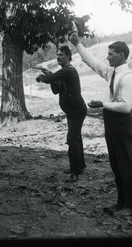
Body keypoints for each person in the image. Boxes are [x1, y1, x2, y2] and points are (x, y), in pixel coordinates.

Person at [69, 33, 132, 216]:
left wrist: (103, 104)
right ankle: (121, 201)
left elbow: (126, 106)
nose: (107, 57)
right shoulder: (111, 72)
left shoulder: (127, 77)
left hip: (122, 124)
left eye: (111, 54)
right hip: (111, 123)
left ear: (122, 56)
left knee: (126, 166)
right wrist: (77, 44)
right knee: (116, 166)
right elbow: (91, 62)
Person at [35, 45, 87, 182]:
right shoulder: (63, 72)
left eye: (61, 55)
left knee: (72, 139)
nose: (58, 57)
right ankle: (79, 166)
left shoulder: (69, 71)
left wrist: (42, 77)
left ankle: (75, 172)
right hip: (72, 110)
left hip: (77, 111)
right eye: (57, 54)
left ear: (68, 56)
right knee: (76, 138)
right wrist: (50, 76)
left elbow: (48, 80)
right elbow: (56, 90)